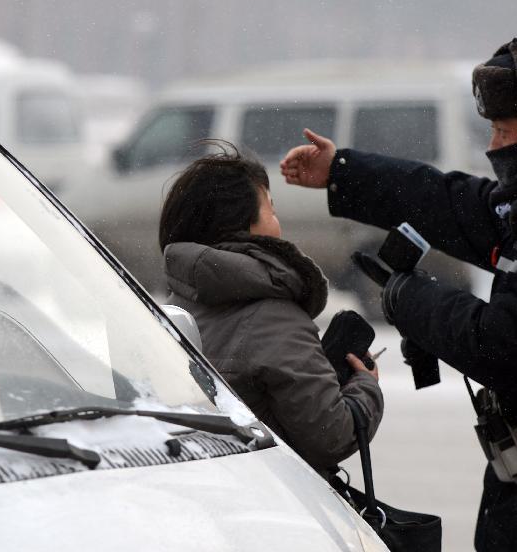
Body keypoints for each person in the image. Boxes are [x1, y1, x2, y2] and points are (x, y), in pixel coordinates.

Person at [281, 33, 517, 550]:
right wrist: (344, 173)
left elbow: (505, 346)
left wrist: (409, 297)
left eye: (503, 130)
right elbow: (456, 205)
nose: (491, 146)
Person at [159, 141, 383, 473]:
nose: (279, 225)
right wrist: (365, 386)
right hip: (271, 502)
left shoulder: (169, 311)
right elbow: (332, 435)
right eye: (271, 211)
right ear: (241, 225)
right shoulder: (275, 317)